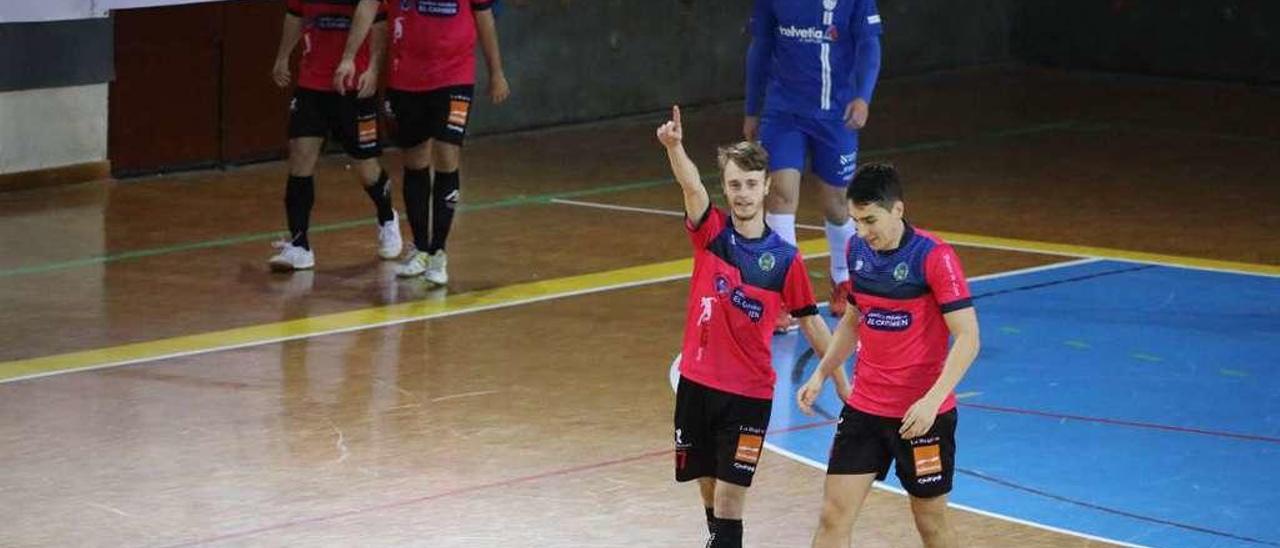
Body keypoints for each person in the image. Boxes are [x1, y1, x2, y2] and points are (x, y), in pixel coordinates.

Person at [658, 105, 848, 548]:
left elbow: (812, 324)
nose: (741, 193)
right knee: (707, 488)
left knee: (728, 503)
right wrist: (675, 147)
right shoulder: (712, 234)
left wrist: (839, 380)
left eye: (749, 184)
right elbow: (689, 185)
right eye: (733, 184)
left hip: (748, 396)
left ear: (766, 187)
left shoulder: (784, 259)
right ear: (724, 188)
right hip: (697, 386)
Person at [796, 163, 981, 548]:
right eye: (855, 221)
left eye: (869, 220)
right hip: (866, 409)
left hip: (922, 416)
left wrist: (932, 402)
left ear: (897, 209)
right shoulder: (856, 249)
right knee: (833, 516)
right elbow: (852, 320)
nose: (862, 232)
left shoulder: (934, 257)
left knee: (930, 523)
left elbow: (968, 338)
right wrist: (820, 373)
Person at [337, 0, 510, 286]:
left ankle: (439, 251)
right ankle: (421, 247)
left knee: (446, 152)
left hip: (454, 76)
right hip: (407, 80)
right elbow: (369, 7)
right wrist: (349, 56)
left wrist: (497, 71)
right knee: (414, 161)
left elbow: (484, 18)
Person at [744, 0, 884, 326]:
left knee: (837, 204)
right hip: (784, 114)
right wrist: (752, 109)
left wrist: (863, 96)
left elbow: (869, 45)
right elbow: (761, 46)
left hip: (836, 115)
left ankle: (842, 279)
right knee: (780, 194)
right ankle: (785, 293)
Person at [268, 0, 401, 271]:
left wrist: (373, 68)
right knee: (300, 157)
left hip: (353, 85)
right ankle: (299, 245)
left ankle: (387, 217)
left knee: (366, 167)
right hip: (312, 83)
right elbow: (295, 14)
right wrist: (283, 56)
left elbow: (378, 22)